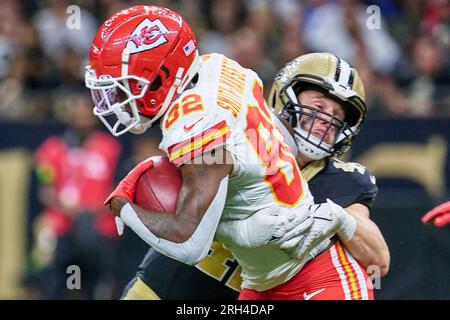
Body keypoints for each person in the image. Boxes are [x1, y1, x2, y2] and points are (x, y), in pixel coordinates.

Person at [85, 5, 362, 298]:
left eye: (125, 85)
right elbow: (263, 145)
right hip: (261, 284)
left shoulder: (194, 123)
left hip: (315, 280)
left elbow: (189, 244)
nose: (116, 98)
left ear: (161, 77)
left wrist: (122, 204)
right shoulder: (215, 66)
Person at [120, 53, 390, 300]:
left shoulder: (343, 181)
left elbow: (379, 259)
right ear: (285, 95)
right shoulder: (236, 131)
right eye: (318, 106)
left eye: (338, 117)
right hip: (169, 281)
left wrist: (341, 219)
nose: (326, 121)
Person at [32, 93, 121, 299]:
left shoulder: (110, 148)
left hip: (98, 225)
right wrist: (66, 208)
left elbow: (119, 185)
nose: (81, 118)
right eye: (77, 113)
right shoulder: (50, 149)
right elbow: (45, 189)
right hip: (61, 224)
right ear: (69, 116)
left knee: (96, 283)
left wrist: (93, 209)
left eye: (86, 113)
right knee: (54, 278)